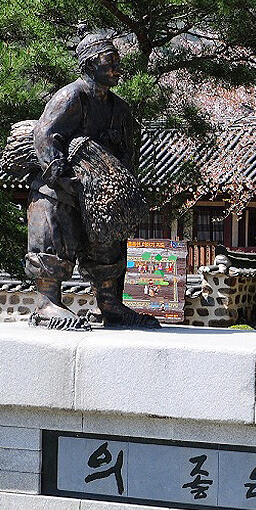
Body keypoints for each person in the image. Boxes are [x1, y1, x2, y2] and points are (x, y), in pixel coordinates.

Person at [27, 33, 160, 330]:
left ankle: (109, 303)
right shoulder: (71, 96)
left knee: (109, 240)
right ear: (89, 63)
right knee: (55, 231)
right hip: (62, 185)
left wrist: (117, 183)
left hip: (99, 188)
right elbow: (46, 136)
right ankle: (47, 301)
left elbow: (128, 152)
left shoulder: (120, 109)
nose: (116, 67)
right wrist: (64, 178)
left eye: (117, 61)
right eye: (109, 61)